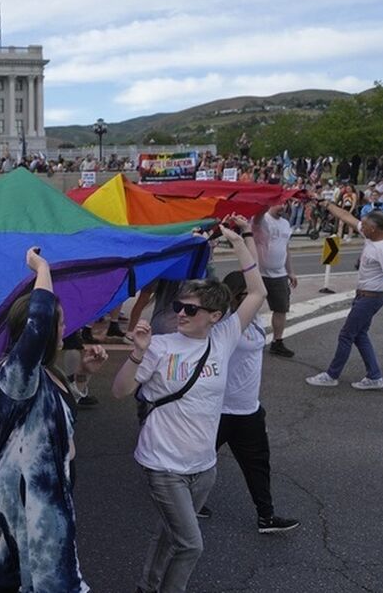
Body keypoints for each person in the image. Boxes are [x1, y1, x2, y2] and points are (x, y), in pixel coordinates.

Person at [111, 215, 266, 593]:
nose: (180, 313)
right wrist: (136, 355)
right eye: (180, 306)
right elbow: (119, 391)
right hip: (163, 465)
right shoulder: (160, 345)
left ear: (215, 317)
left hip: (203, 467)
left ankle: (146, 586)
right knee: (191, 543)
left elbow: (258, 292)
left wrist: (240, 241)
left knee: (171, 535)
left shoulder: (225, 336)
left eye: (191, 310)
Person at [0, 247, 103, 593]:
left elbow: (54, 420)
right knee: (54, 575)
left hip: (48, 487)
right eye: (59, 321)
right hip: (33, 496)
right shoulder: (17, 376)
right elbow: (39, 321)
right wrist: (42, 269)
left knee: (15, 559)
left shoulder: (50, 374)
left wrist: (81, 379)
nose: (65, 326)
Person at [197, 271, 299, 534]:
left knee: (258, 464)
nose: (258, 299)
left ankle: (266, 516)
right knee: (198, 459)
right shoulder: (223, 325)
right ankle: (187, 504)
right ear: (238, 295)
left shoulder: (256, 320)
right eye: (250, 294)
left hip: (248, 409)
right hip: (219, 409)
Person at [306, 206, 383, 390]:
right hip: (364, 296)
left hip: (370, 298)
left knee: (346, 335)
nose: (360, 228)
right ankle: (374, 376)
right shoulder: (371, 233)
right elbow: (346, 216)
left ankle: (332, 375)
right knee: (359, 335)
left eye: (364, 226)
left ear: (373, 228)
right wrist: (327, 203)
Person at [252, 203, 297, 358]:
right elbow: (257, 217)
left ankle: (277, 342)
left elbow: (286, 248)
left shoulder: (285, 224)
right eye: (279, 203)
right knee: (250, 308)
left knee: (281, 309)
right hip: (259, 274)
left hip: (279, 275)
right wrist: (268, 198)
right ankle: (246, 339)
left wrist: (290, 271)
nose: (283, 206)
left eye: (285, 203)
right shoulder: (262, 220)